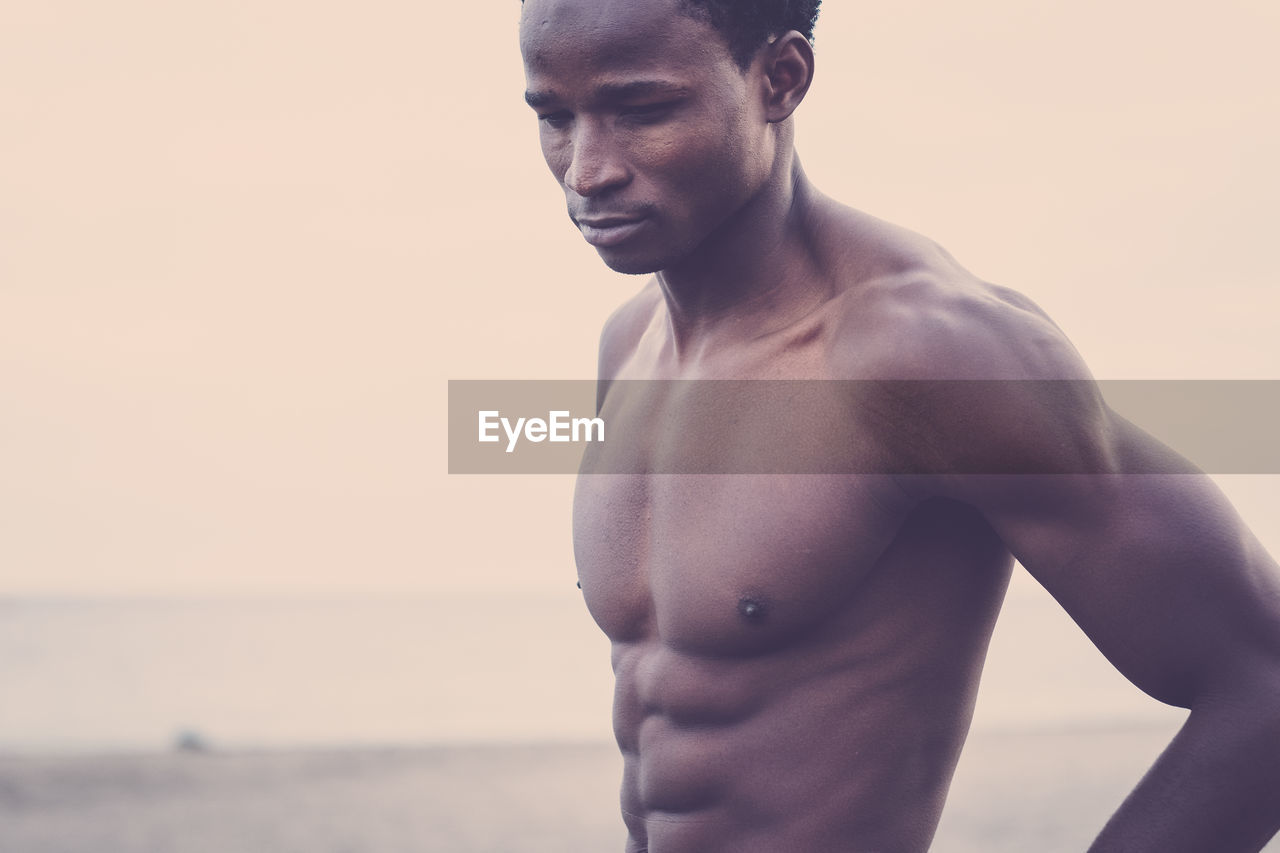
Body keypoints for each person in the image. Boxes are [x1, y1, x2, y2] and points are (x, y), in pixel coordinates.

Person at [518, 0, 1280, 850]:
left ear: (781, 79)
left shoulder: (927, 352)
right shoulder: (628, 345)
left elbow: (1265, 683)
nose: (586, 170)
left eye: (643, 110)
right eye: (554, 116)